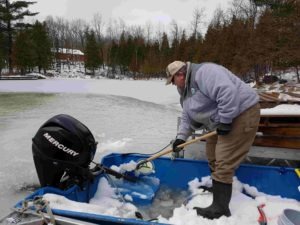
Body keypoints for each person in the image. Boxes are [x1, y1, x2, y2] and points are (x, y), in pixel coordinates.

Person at [166, 61, 260, 219]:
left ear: (180, 75)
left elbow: (227, 92)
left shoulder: (205, 73)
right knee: (212, 153)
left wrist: (226, 120)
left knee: (223, 159)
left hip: (241, 113)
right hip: (221, 120)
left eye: (172, 80)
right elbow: (187, 116)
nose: (172, 84)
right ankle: (218, 190)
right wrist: (180, 138)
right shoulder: (184, 89)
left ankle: (220, 208)